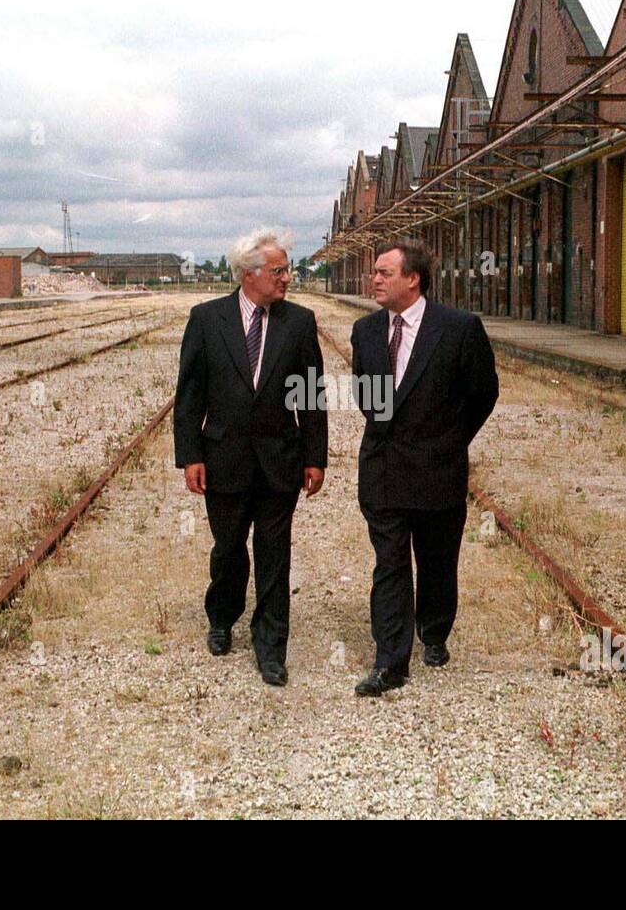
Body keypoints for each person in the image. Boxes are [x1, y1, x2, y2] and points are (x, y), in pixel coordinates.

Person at [174, 228, 327, 687]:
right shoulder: (206, 319)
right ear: (248, 274)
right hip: (223, 460)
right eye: (278, 271)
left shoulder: (299, 323)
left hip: (281, 460)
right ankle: (222, 617)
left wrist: (315, 457)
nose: (287, 278)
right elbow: (189, 395)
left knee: (275, 556)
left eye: (286, 269)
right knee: (229, 549)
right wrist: (190, 456)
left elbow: (313, 396)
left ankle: (270, 647)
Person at [349, 240, 498, 696]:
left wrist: (450, 440)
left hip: (438, 470)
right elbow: (366, 397)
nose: (374, 279)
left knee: (436, 562)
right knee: (390, 564)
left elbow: (483, 393)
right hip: (384, 471)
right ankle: (391, 661)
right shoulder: (366, 331)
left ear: (413, 279)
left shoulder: (458, 329)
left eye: (384, 272)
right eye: (374, 272)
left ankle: (434, 633)